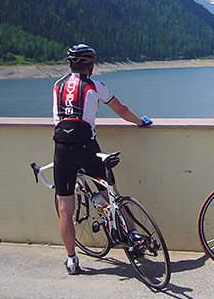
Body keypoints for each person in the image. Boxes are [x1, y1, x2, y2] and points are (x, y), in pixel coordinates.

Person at [52, 44, 152, 275]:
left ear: (70, 65)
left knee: (65, 209)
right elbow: (122, 109)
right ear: (91, 66)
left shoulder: (57, 85)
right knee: (111, 193)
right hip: (88, 147)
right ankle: (133, 235)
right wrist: (140, 122)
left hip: (62, 149)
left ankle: (72, 259)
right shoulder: (94, 85)